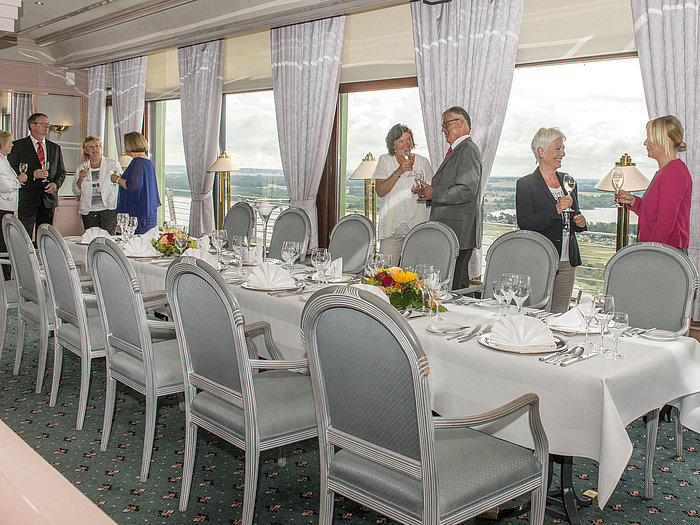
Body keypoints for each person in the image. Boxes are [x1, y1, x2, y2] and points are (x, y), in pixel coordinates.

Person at [515, 127, 587, 313]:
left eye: (563, 148)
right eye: (558, 149)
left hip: (567, 260)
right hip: (540, 258)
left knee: (560, 312)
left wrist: (580, 222)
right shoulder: (526, 184)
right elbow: (525, 223)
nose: (563, 153)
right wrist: (555, 209)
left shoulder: (568, 180)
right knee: (535, 311)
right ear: (541, 151)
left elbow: (573, 214)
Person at [413, 106, 483, 289]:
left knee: (454, 285)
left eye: (446, 124)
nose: (443, 129)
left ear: (460, 123)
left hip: (458, 231)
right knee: (454, 283)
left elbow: (466, 190)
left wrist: (433, 192)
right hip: (454, 230)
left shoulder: (467, 149)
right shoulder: (459, 150)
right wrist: (428, 193)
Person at [615, 115, 692, 251]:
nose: (645, 143)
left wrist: (648, 253)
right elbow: (656, 214)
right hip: (662, 250)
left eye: (650, 139)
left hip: (664, 252)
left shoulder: (673, 173)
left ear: (666, 141)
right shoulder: (667, 171)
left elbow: (665, 224)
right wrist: (634, 201)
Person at [373, 124, 433, 265]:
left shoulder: (423, 162)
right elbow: (381, 191)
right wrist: (399, 171)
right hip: (392, 225)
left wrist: (420, 191)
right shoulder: (385, 160)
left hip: (417, 223)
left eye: (409, 139)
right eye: (401, 141)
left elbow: (430, 191)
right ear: (393, 145)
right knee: (386, 271)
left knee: (413, 273)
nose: (406, 144)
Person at [7, 112, 66, 238]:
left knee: (45, 236)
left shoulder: (55, 148)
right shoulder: (18, 146)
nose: (46, 126)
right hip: (27, 198)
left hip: (48, 200)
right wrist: (32, 174)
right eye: (43, 123)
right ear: (32, 126)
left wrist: (55, 184)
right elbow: (12, 169)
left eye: (47, 123)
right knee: (24, 236)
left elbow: (61, 172)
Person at [111, 132, 161, 234]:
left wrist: (117, 179)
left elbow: (133, 186)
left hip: (139, 212)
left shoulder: (137, 162)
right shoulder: (147, 161)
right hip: (148, 210)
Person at [73, 136, 121, 234]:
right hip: (89, 210)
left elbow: (120, 184)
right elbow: (76, 192)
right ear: (86, 151)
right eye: (91, 147)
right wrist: (81, 178)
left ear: (101, 148)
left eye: (97, 146)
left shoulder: (112, 164)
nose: (95, 149)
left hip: (108, 209)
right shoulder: (82, 167)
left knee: (107, 239)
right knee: (92, 239)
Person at [0, 130, 28, 279]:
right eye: (9, 142)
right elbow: (3, 186)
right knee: (3, 244)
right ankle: (5, 277)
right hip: (3, 208)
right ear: (3, 144)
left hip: (6, 207)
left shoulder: (4, 159)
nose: (12, 145)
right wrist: (19, 180)